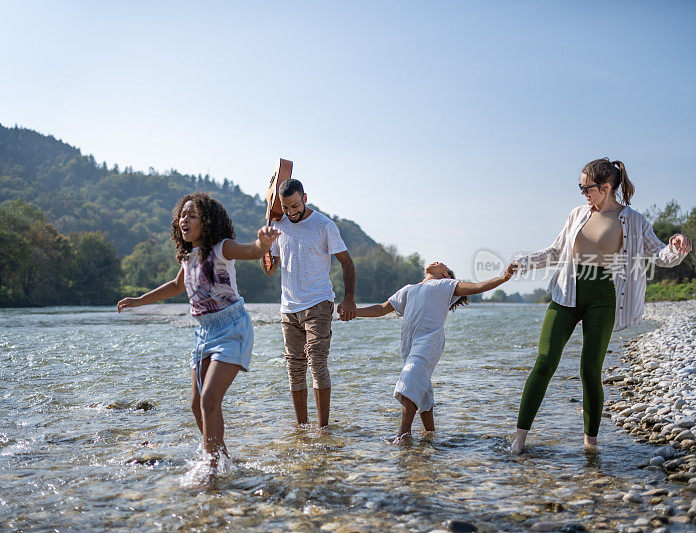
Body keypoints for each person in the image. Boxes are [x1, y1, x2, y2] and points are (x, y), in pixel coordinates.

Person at [510, 158, 692, 454]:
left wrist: (677, 244)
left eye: (586, 187)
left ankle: (590, 444)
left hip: (604, 298)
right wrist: (524, 263)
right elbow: (556, 250)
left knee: (590, 370)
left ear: (606, 187)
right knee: (544, 361)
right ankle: (519, 438)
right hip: (566, 292)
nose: (582, 192)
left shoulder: (633, 220)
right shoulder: (577, 214)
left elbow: (661, 255)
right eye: (580, 186)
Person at [117, 192, 279, 469]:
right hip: (204, 333)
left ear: (207, 222)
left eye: (192, 215)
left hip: (231, 328)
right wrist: (139, 300)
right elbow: (177, 286)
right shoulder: (188, 257)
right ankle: (221, 458)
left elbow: (252, 251)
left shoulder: (222, 248)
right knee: (196, 404)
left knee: (209, 398)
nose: (185, 220)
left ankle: (212, 466)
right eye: (182, 215)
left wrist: (263, 243)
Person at [354, 261, 515, 442]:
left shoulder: (446, 285)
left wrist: (503, 278)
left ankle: (403, 435)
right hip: (409, 343)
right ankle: (430, 434)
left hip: (430, 340)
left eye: (442, 263)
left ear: (446, 274)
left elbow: (477, 287)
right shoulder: (409, 289)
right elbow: (382, 308)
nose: (437, 261)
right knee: (422, 388)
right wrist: (355, 311)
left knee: (410, 377)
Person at [261, 178, 356, 427]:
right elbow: (269, 270)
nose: (291, 212)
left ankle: (323, 428)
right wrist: (265, 245)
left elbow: (347, 262)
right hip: (288, 307)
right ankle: (302, 428)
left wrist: (349, 298)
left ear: (305, 197)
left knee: (316, 361)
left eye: (295, 205)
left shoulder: (324, 225)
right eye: (286, 207)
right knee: (294, 368)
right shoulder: (279, 226)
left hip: (319, 303)